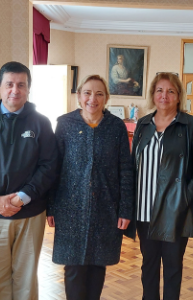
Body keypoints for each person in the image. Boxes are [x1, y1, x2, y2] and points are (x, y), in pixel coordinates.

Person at [0, 61, 58, 300]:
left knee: (26, 280)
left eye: (21, 85)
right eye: (9, 84)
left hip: (30, 212)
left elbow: (49, 165)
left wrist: (21, 198)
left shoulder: (41, 122)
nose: (15, 90)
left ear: (28, 89)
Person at [47, 75, 134, 300]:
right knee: (74, 266)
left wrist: (125, 209)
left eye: (99, 93)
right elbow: (54, 168)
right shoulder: (65, 124)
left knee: (98, 264)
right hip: (70, 207)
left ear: (106, 98)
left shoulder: (116, 126)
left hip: (106, 207)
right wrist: (51, 206)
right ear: (78, 96)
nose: (92, 99)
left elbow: (125, 169)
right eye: (87, 93)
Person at [127, 72, 193, 300]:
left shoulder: (191, 124)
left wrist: (185, 197)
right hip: (145, 210)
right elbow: (134, 165)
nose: (164, 95)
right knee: (148, 267)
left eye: (170, 91)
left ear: (178, 96)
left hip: (176, 210)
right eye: (160, 90)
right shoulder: (143, 124)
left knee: (173, 268)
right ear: (153, 94)